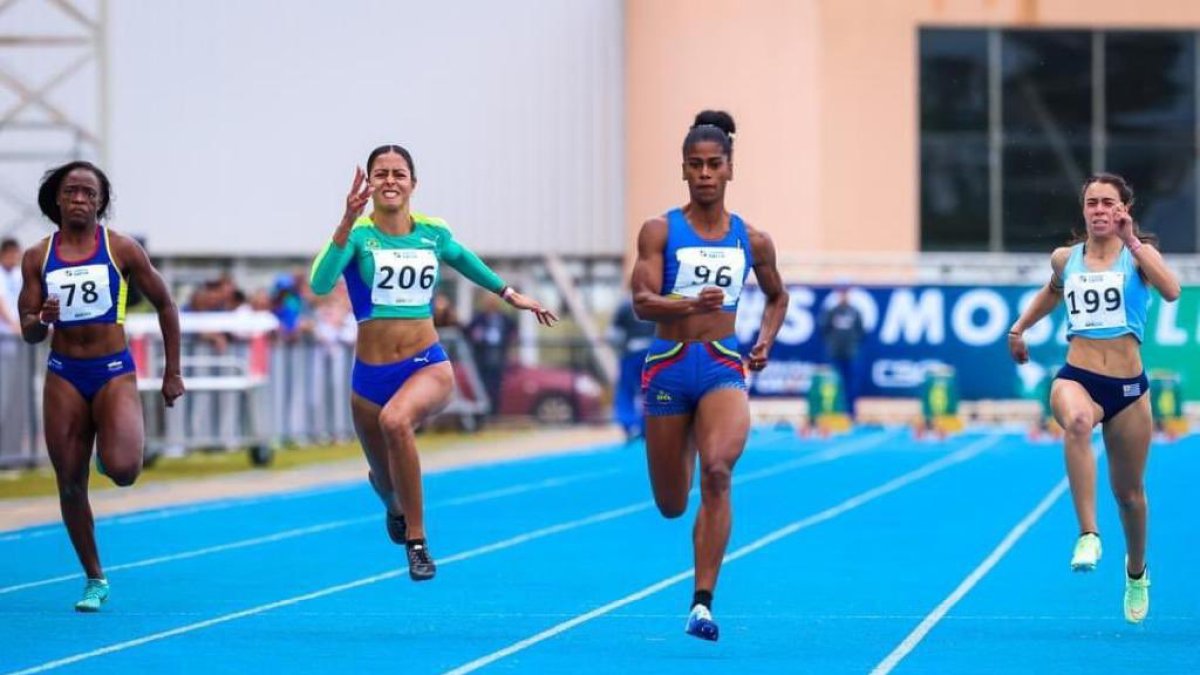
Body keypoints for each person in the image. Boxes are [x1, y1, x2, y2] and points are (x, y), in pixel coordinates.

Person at [309, 144, 556, 581]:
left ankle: (418, 541)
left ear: (413, 183)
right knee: (384, 480)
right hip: (370, 377)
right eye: (380, 173)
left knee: (396, 422)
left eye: (398, 173)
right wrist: (346, 220)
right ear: (369, 183)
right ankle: (394, 506)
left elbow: (464, 260)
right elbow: (321, 282)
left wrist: (509, 294)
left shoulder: (433, 232)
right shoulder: (359, 236)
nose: (390, 180)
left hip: (426, 363)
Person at [631, 111, 789, 641]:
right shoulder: (659, 231)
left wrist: (764, 340)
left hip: (722, 363)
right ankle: (682, 445)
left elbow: (778, 295)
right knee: (672, 504)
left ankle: (702, 603)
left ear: (729, 169)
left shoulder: (753, 240)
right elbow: (641, 302)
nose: (704, 174)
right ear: (683, 169)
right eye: (695, 165)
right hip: (668, 367)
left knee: (718, 471)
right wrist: (687, 302)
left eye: (713, 164)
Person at [1007, 173, 1180, 624]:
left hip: (1128, 390)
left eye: (1108, 202)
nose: (1099, 210)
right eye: (1092, 203)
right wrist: (1019, 328)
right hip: (1077, 376)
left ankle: (1137, 572)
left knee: (1130, 496)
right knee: (1078, 422)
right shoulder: (1066, 258)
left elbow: (1171, 291)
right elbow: (1052, 292)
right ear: (1083, 210)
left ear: (1123, 208)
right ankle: (1088, 534)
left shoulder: (1138, 256)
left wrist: (1133, 240)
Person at [18, 161, 184, 612]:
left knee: (125, 470)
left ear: (100, 202)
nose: (79, 199)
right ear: (57, 198)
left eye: (89, 193)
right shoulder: (37, 256)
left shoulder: (121, 249)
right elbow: (29, 330)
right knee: (70, 484)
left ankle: (108, 453)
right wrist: (41, 320)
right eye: (71, 191)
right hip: (64, 374)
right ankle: (94, 577)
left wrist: (172, 371)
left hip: (113, 371)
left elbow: (166, 304)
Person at [608, 293, 655, 441]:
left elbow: (613, 335)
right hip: (653, 353)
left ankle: (629, 425)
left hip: (631, 353)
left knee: (626, 390)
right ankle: (647, 426)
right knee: (651, 390)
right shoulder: (656, 303)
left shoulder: (625, 306)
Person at [817, 284, 865, 419]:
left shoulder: (855, 312)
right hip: (835, 353)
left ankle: (851, 413)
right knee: (833, 384)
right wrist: (832, 344)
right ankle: (834, 412)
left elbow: (861, 332)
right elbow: (824, 330)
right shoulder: (832, 312)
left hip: (851, 353)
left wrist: (853, 344)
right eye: (841, 293)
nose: (843, 296)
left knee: (851, 384)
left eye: (846, 293)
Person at [465, 291, 516, 415]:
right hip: (482, 355)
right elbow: (468, 331)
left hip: (497, 354)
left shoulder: (504, 318)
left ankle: (494, 411)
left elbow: (513, 331)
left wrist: (508, 341)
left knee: (496, 385)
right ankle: (481, 412)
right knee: (481, 385)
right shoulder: (479, 318)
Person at [0, 237, 21, 335]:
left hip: (18, 323)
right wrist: (14, 325)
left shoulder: (19, 273)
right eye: (11, 254)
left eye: (16, 253)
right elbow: (1, 304)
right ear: (3, 254)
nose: (14, 257)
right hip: (4, 327)